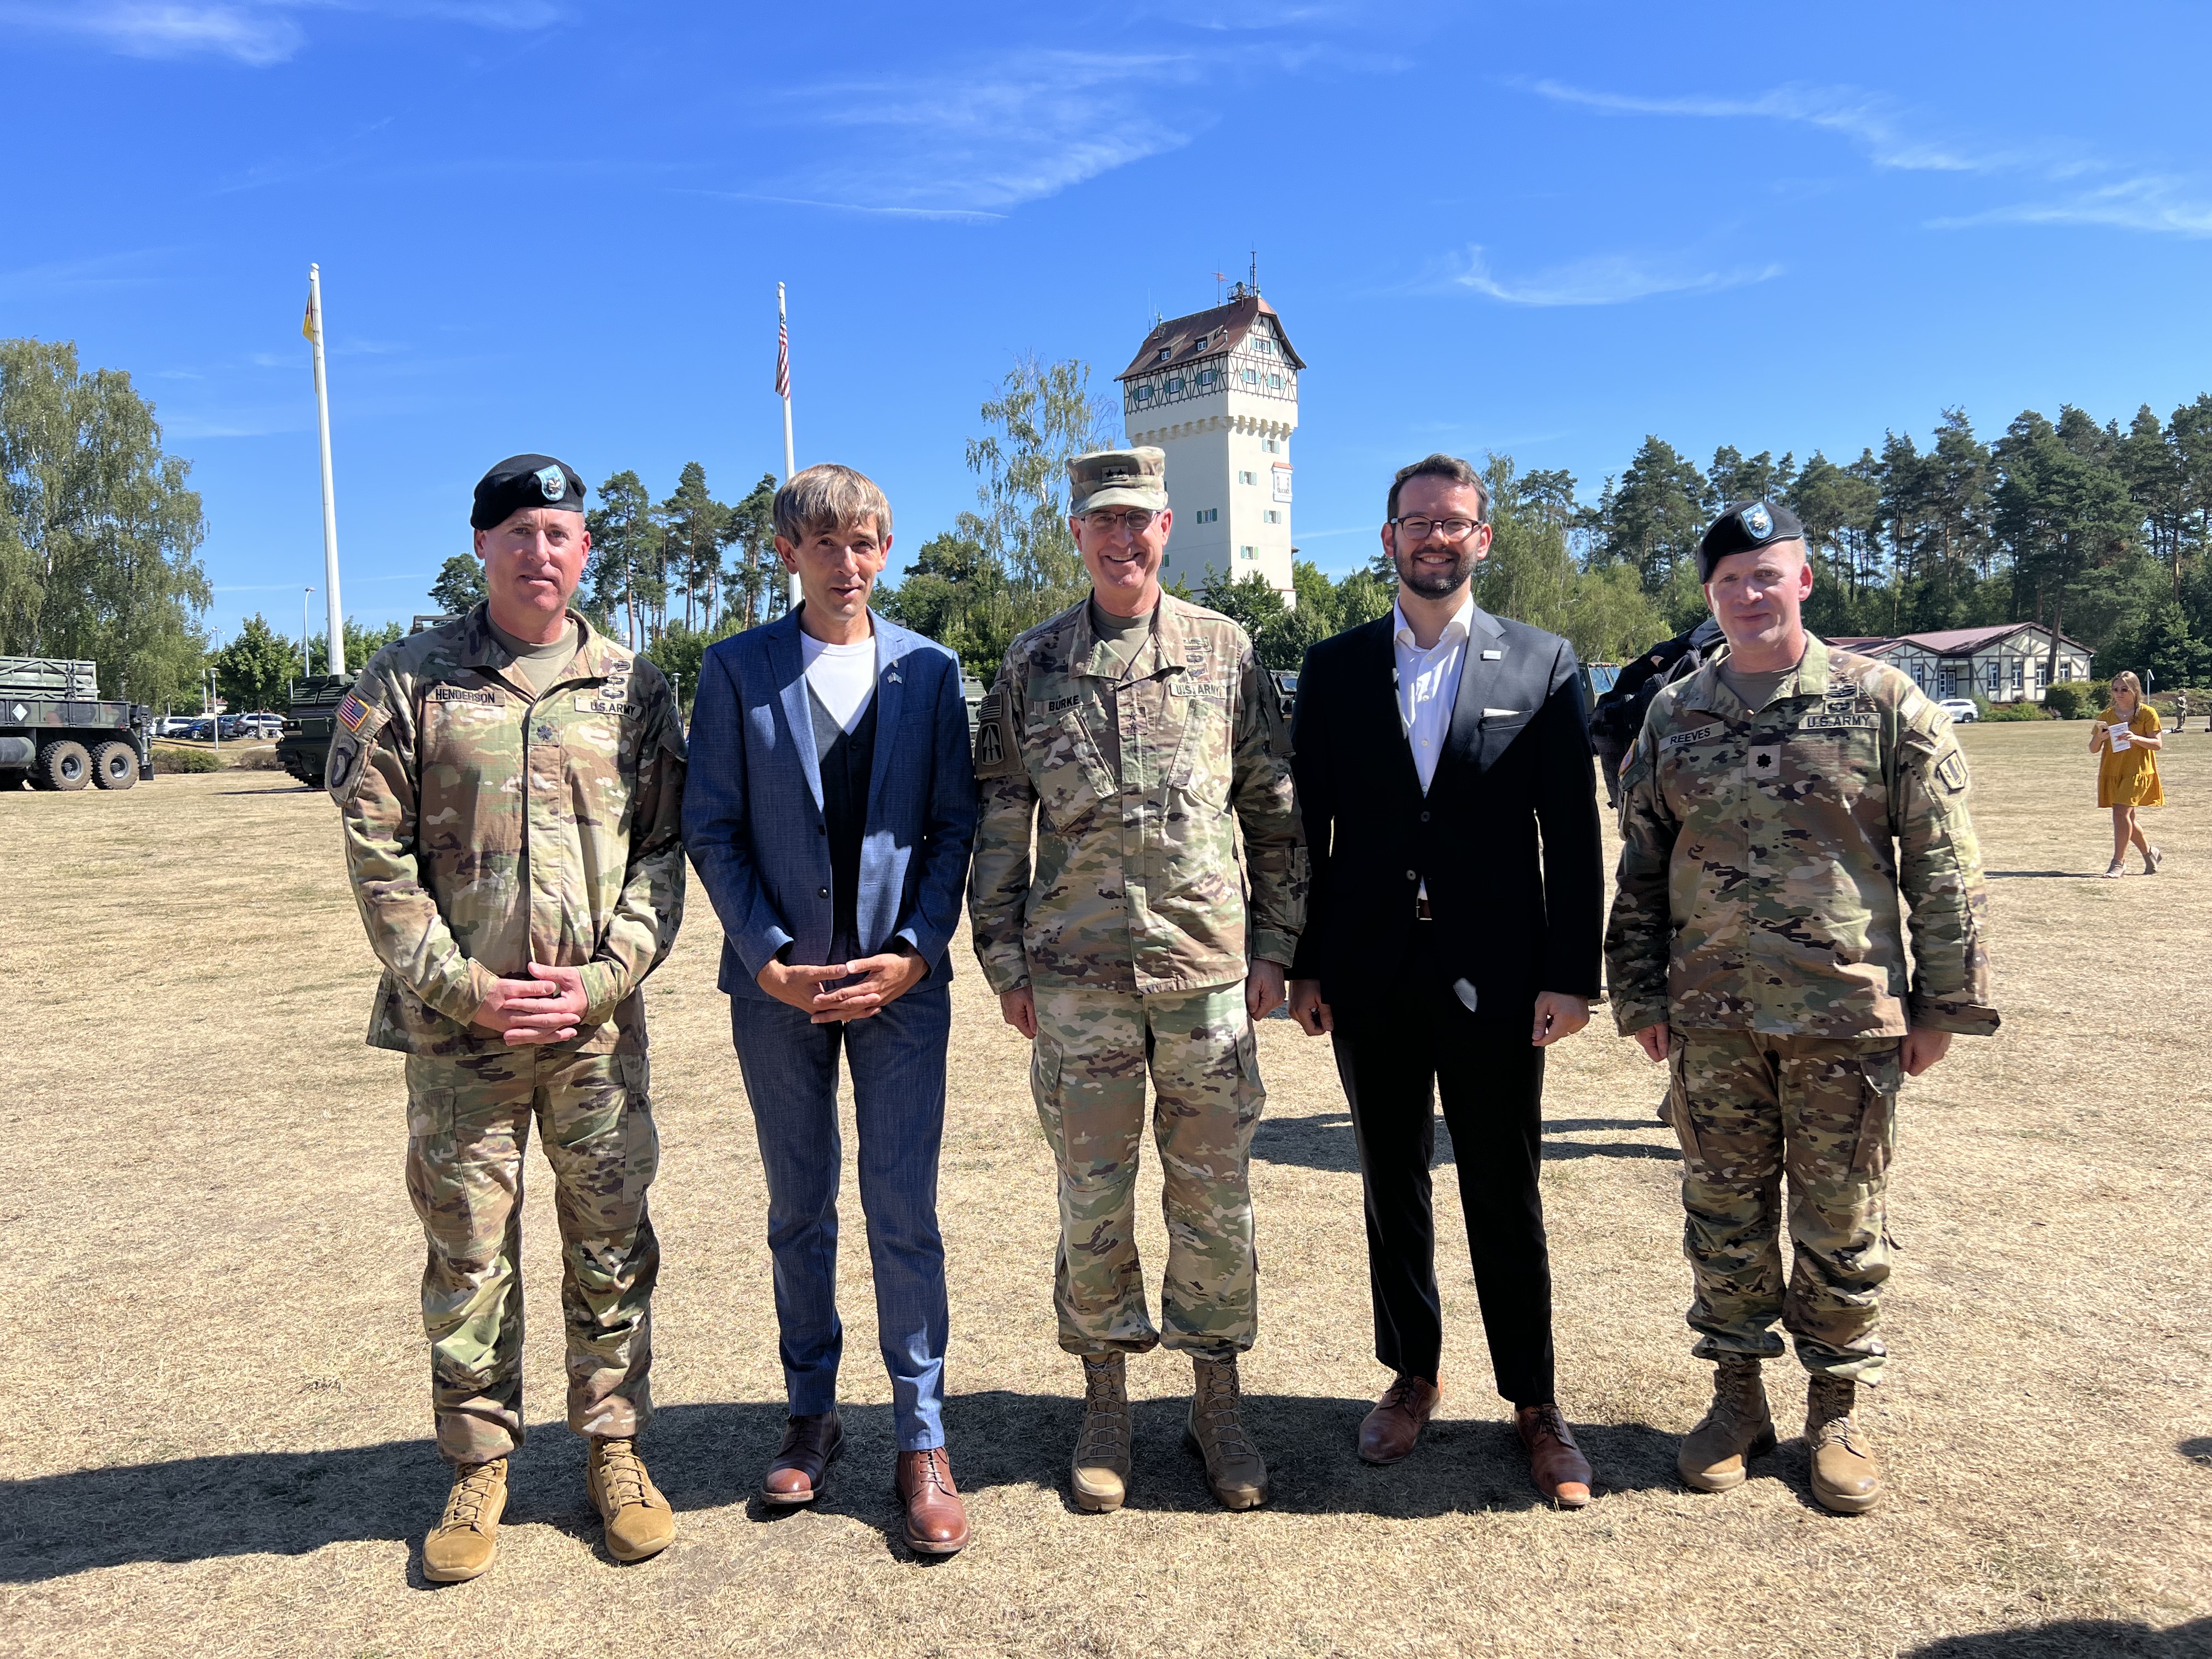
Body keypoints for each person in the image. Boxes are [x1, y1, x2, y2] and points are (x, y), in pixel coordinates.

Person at [330, 454, 687, 1581]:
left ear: (587, 553)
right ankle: (479, 1462)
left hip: (592, 1031)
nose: (543, 551)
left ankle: (616, 1448)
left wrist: (602, 978)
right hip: (459, 1038)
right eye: (521, 532)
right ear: (482, 545)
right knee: (468, 1251)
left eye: (562, 534)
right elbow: (375, 856)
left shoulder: (634, 687)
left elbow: (665, 856)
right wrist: (467, 987)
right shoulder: (410, 680)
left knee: (612, 1241)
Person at [1606, 499, 1999, 1516]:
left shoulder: (1881, 700)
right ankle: (1736, 1398)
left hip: (1845, 1019)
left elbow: (1943, 864)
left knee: (1840, 1219)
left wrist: (1944, 1004)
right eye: (1730, 578)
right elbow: (1641, 867)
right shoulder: (1673, 713)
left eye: (1766, 573)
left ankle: (1834, 1409)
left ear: (1803, 580)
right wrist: (1639, 992)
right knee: (1723, 1216)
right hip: (1709, 1020)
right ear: (1709, 594)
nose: (1748, 592)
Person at [968, 447, 1305, 1514]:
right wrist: (1004, 961)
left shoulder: (1225, 652)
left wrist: (1278, 948)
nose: (1122, 539)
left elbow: (1277, 812)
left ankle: (1218, 1402)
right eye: (1101, 522)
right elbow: (998, 826)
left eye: (1140, 521)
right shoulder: (1033, 664)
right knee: (1093, 1203)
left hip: (1206, 977)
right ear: (1077, 534)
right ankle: (1106, 1400)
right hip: (1077, 988)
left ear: (1169, 529)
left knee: (1216, 1205)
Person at [1286, 453, 1604, 1508]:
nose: (1434, 536)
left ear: (1483, 540)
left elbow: (1572, 832)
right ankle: (1411, 1372)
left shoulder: (1544, 663)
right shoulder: (1331, 670)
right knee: (1390, 1181)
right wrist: (1306, 962)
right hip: (1370, 970)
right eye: (1415, 521)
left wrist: (1571, 975)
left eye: (1454, 522)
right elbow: (1309, 834)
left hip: (1500, 976)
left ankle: (1535, 1400)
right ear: (1386, 538)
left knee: (1503, 1189)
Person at [682, 464, 979, 1555]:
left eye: (865, 544)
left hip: (903, 993)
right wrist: (765, 959)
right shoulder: (736, 672)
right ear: (787, 554)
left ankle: (923, 1436)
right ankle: (812, 1415)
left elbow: (954, 827)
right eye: (825, 544)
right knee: (797, 1209)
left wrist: (913, 951)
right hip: (780, 996)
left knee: (904, 1213)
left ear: (884, 553)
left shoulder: (933, 674)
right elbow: (710, 826)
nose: (846, 564)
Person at [2091, 670, 2165, 877]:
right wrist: (2100, 737)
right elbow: (2093, 748)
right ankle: (2151, 853)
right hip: (2113, 770)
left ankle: (2119, 863)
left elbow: (2158, 744)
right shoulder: (2106, 716)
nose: (2119, 694)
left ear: (2134, 690)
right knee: (2128, 819)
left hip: (2139, 770)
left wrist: (2135, 738)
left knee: (2120, 813)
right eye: (2115, 690)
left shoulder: (2147, 713)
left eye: (2124, 689)